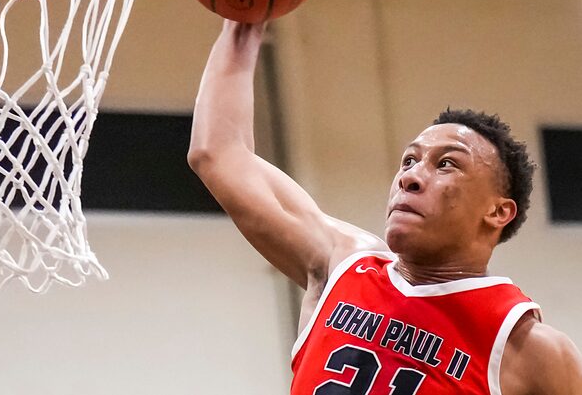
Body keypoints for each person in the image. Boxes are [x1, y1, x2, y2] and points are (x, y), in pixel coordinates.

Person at [188, 19, 582, 395]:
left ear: (498, 212)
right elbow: (219, 153)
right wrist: (244, 20)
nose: (410, 177)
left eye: (447, 164)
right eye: (409, 161)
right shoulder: (342, 263)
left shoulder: (529, 350)